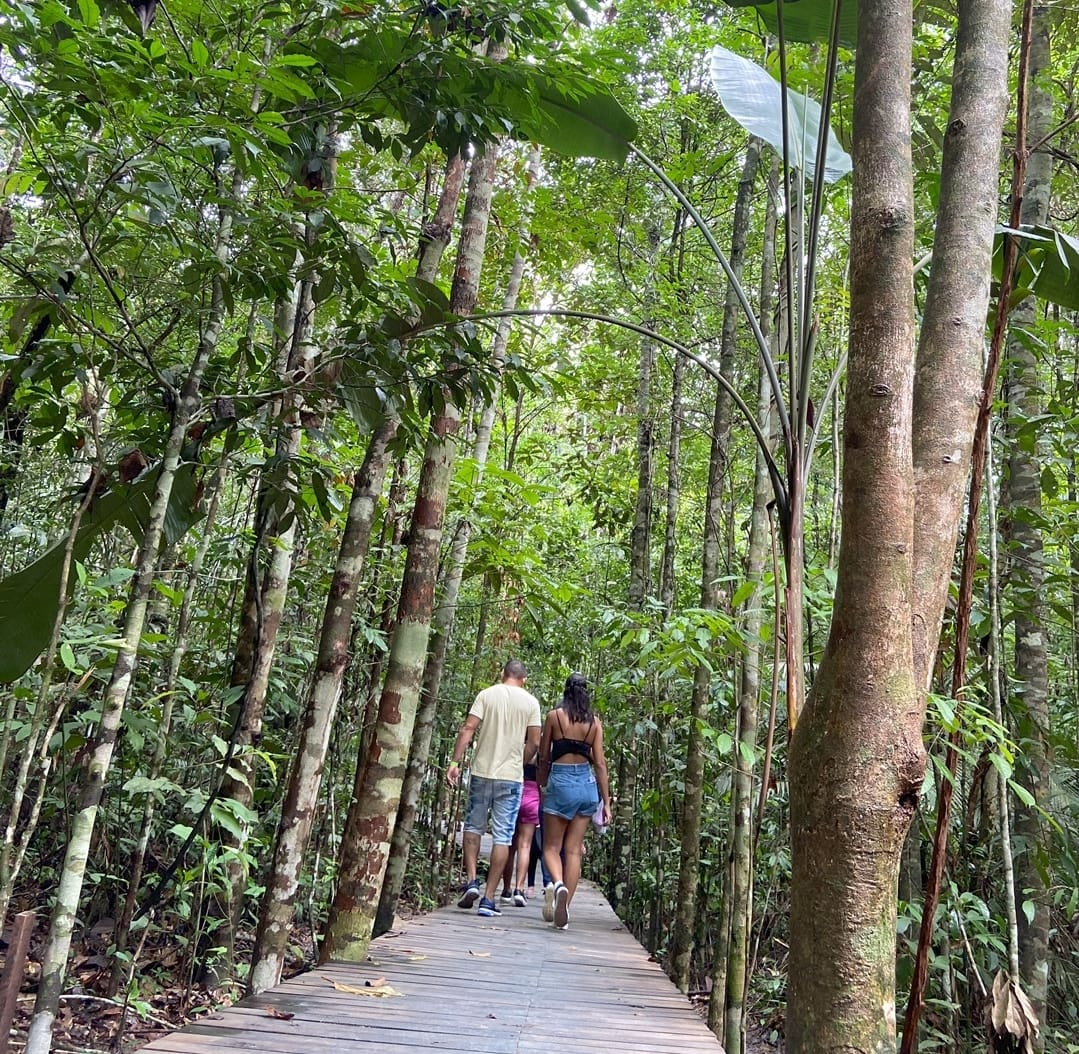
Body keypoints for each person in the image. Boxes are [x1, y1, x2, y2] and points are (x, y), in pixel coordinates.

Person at [446, 659, 542, 917]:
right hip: (511, 777)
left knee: (474, 826)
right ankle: (489, 899)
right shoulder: (531, 703)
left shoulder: (486, 694)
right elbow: (534, 742)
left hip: (481, 772)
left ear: (503, 674)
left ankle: (472, 880)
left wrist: (455, 762)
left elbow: (468, 728)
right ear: (524, 679)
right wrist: (519, 761)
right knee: (503, 836)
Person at [537, 671, 611, 930]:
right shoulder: (595, 724)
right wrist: (607, 801)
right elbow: (600, 764)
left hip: (562, 782)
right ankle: (565, 909)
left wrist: (541, 781)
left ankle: (558, 885)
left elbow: (543, 755)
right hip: (587, 786)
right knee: (573, 850)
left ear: (566, 690)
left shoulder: (554, 717)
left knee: (550, 848)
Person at [498, 759, 541, 906]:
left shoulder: (516, 742)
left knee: (509, 846)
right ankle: (519, 889)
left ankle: (506, 889)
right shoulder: (541, 746)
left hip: (513, 788)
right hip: (532, 793)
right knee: (525, 845)